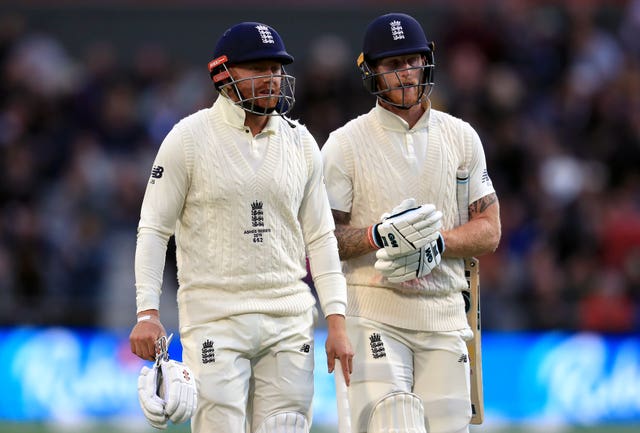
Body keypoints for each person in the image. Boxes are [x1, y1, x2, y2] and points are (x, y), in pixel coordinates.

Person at [129, 21, 353, 433]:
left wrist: (337, 319)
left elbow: (321, 237)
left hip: (288, 315)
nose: (272, 79)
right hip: (215, 315)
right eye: (259, 69)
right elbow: (153, 229)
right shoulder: (188, 139)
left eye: (276, 68)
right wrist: (147, 312)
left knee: (286, 426)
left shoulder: (302, 142)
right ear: (223, 75)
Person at [321, 12, 501, 433]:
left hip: (445, 313)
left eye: (413, 61)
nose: (405, 73)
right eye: (392, 65)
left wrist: (438, 242)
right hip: (372, 312)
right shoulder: (344, 144)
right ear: (371, 71)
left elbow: (489, 228)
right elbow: (323, 238)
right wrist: (377, 235)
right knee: (393, 423)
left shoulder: (461, 136)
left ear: (427, 62)